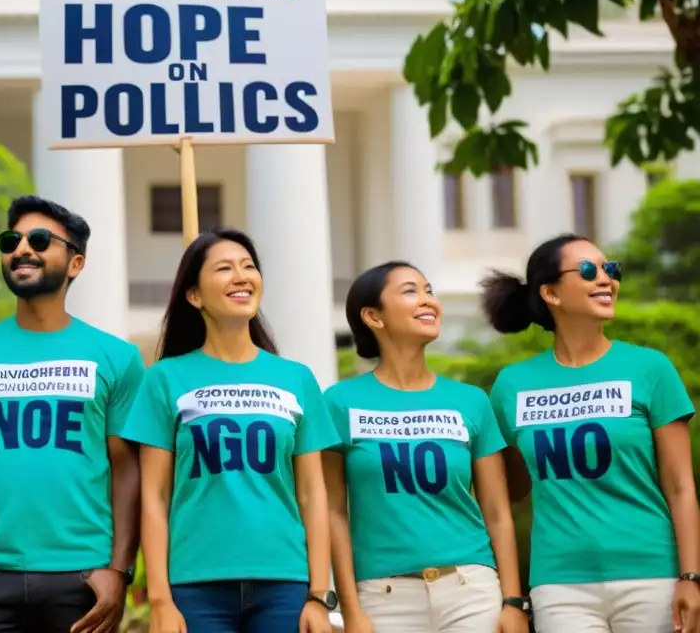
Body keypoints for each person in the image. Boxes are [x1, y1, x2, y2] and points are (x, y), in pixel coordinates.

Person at [0, 195, 144, 633]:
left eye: (40, 240)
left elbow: (128, 471)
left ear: (76, 263)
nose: (22, 249)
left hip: (83, 578)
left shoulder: (118, 358)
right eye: (12, 240)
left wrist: (119, 571)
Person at [121, 228, 339, 633]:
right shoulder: (166, 378)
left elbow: (313, 493)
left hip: (285, 583)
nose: (242, 276)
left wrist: (318, 595)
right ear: (195, 296)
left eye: (249, 266)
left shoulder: (296, 379)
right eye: (224, 268)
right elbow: (154, 496)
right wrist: (160, 600)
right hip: (194, 587)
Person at [483, 233, 700, 633]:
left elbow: (681, 486)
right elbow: (509, 489)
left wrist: (691, 577)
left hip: (652, 574)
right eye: (588, 270)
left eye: (610, 269)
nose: (606, 279)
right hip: (559, 583)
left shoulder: (650, 368)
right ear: (550, 292)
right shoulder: (512, 385)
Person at [322, 262, 529, 633]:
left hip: (471, 591)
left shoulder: (470, 401)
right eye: (410, 291)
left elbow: (497, 512)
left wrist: (513, 601)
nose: (428, 301)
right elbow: (333, 513)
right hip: (383, 597)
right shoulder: (339, 402)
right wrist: (350, 608)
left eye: (429, 290)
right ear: (373, 316)